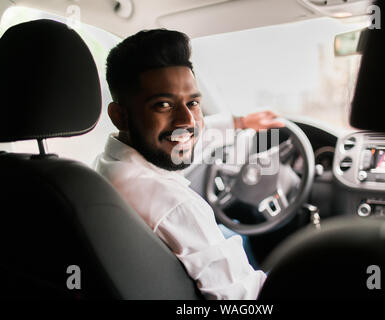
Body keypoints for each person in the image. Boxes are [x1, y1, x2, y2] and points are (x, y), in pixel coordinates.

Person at [95, 29, 284, 299]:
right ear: (119, 116)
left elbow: (183, 133)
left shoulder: (107, 163)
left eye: (193, 102)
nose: (188, 120)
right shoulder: (174, 207)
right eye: (163, 105)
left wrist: (239, 123)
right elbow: (244, 299)